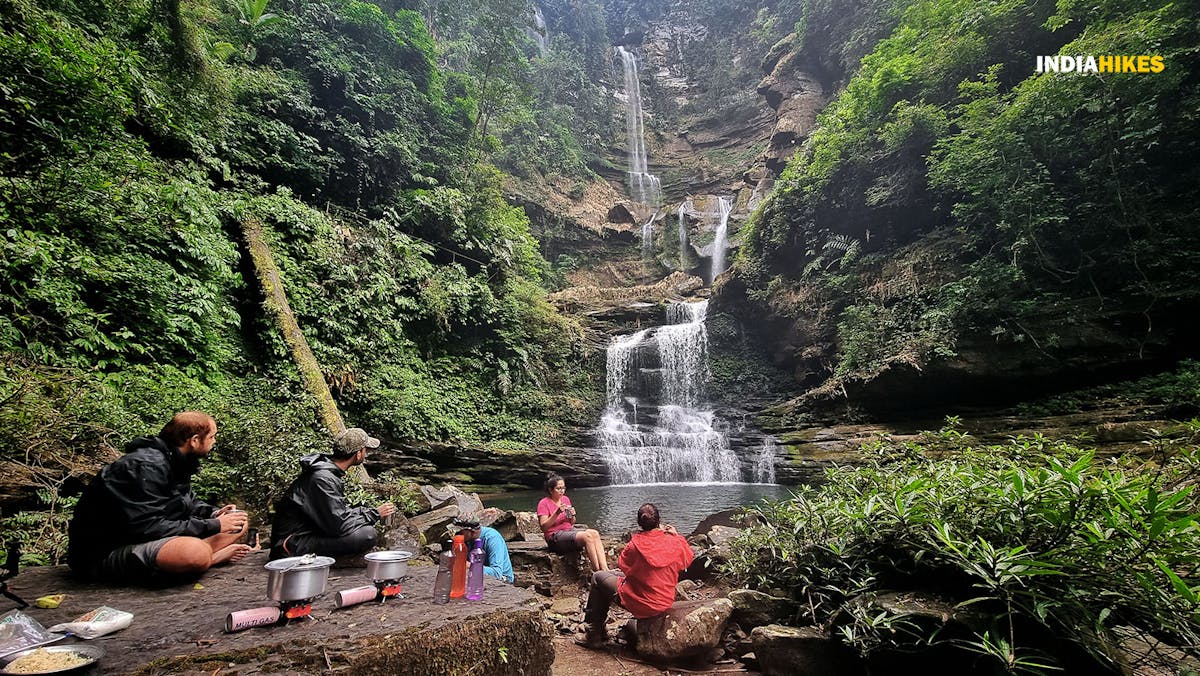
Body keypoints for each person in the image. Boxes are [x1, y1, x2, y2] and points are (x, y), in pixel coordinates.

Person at [68, 412, 255, 584]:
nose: (215, 441)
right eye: (212, 436)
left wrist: (214, 513)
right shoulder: (146, 466)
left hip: (151, 538)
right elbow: (147, 527)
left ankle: (202, 554)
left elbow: (186, 501)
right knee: (194, 552)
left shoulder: (175, 460)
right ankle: (209, 557)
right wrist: (215, 525)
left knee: (239, 521)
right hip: (105, 554)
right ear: (195, 440)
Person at [578, 503, 694, 648]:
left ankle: (593, 634)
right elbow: (687, 559)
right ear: (659, 521)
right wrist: (676, 536)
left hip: (643, 602)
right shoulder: (674, 541)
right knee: (608, 575)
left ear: (640, 523)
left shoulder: (635, 544)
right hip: (664, 600)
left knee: (598, 577)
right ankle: (599, 631)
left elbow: (623, 564)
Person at [269, 428, 396, 560]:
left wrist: (367, 512)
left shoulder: (325, 472)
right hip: (290, 545)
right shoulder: (322, 478)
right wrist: (375, 514)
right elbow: (338, 526)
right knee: (367, 534)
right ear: (358, 454)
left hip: (306, 533)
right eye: (365, 450)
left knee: (364, 529)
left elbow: (336, 513)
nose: (366, 453)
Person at [537, 473, 608, 572]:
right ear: (550, 489)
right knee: (587, 536)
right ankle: (597, 571)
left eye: (563, 488)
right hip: (554, 536)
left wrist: (573, 515)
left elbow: (572, 522)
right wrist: (557, 513)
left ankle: (605, 569)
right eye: (558, 488)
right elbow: (544, 527)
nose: (562, 491)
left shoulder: (565, 499)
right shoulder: (544, 503)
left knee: (594, 533)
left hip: (568, 530)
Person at [452, 516, 514, 583]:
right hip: (475, 575)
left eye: (460, 532)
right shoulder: (466, 539)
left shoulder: (492, 538)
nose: (456, 535)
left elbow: (497, 573)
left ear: (472, 532)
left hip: (502, 579)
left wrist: (469, 566)